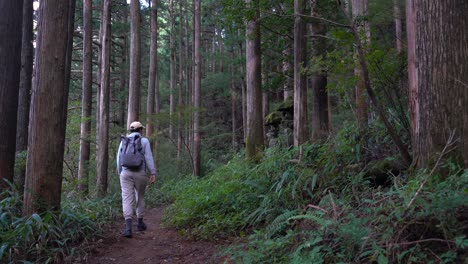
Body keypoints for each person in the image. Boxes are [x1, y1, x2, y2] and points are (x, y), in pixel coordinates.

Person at [116, 121, 156, 238]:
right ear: (140, 130)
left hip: (125, 173)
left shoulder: (124, 140)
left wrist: (120, 172)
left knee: (127, 198)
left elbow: (119, 158)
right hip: (140, 173)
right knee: (140, 196)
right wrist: (152, 172)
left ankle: (128, 228)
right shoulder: (144, 141)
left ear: (130, 130)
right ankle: (139, 223)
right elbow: (148, 157)